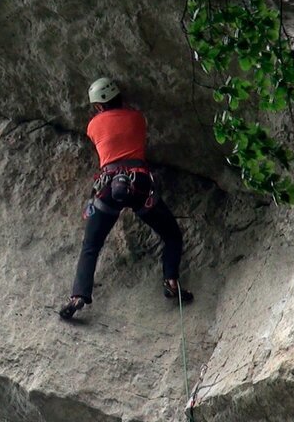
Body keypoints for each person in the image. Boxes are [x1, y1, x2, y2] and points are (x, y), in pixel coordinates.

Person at [59, 77, 193, 320]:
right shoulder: (137, 118)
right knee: (171, 235)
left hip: (109, 187)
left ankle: (78, 296)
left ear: (98, 106)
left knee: (91, 245)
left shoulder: (93, 125)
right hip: (139, 185)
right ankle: (171, 279)